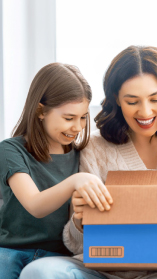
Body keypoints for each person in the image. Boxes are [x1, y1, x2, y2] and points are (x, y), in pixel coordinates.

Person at [20, 46, 157, 279]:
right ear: (116, 98)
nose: (145, 111)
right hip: (101, 272)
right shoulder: (95, 147)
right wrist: (79, 220)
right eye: (132, 101)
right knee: (39, 272)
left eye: (155, 99)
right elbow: (77, 246)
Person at [0, 63, 113, 279]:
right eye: (69, 118)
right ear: (41, 111)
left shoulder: (84, 153)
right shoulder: (10, 150)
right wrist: (75, 181)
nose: (78, 127)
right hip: (11, 251)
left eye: (83, 117)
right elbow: (35, 205)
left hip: (60, 258)